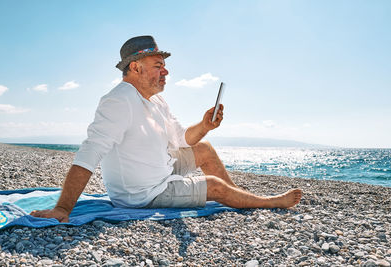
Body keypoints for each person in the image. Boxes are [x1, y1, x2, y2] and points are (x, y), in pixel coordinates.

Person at [31, 36, 302, 223]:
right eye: (158, 66)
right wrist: (63, 208)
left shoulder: (156, 100)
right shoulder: (118, 101)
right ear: (135, 67)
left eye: (164, 65)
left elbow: (181, 138)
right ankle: (268, 201)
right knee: (214, 186)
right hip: (142, 193)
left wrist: (205, 126)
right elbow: (89, 155)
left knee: (203, 148)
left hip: (162, 169)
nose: (166, 72)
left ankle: (241, 197)